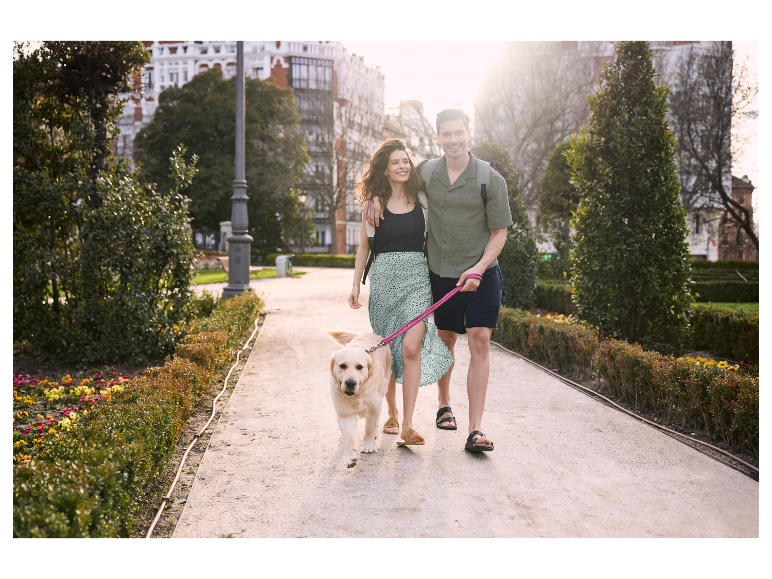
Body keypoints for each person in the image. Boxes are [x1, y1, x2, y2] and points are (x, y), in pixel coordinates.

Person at [364, 109, 512, 452]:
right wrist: (373, 198)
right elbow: (392, 178)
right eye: (447, 134)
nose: (454, 140)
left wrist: (480, 266)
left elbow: (499, 232)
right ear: (438, 138)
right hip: (443, 275)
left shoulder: (491, 179)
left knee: (480, 339)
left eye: (459, 133)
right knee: (446, 339)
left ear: (469, 132)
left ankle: (475, 429)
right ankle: (444, 404)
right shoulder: (427, 172)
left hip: (482, 274)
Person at [349, 139, 453, 447]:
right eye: (395, 162)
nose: (402, 166)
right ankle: (391, 412)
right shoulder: (372, 204)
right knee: (389, 353)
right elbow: (363, 247)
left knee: (411, 348)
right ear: (384, 168)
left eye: (405, 160)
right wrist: (355, 284)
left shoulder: (422, 199)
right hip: (382, 283)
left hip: (416, 281)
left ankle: (408, 424)